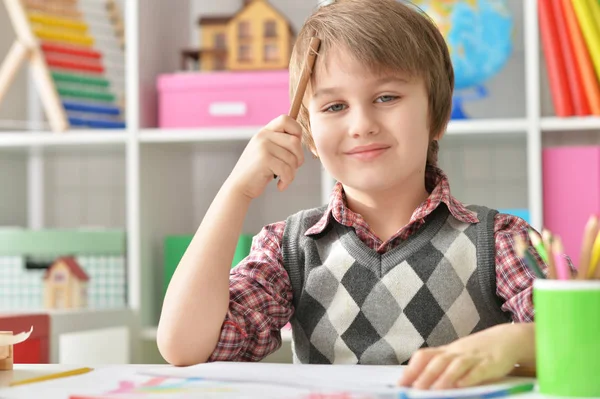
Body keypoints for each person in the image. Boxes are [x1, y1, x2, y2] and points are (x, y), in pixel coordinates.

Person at [158, 0, 544, 390]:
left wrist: (510, 342)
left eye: (386, 97)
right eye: (335, 106)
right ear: (307, 131)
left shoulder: (502, 241)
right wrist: (236, 191)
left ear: (436, 115)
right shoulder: (289, 250)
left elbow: (583, 338)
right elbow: (185, 347)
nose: (361, 125)